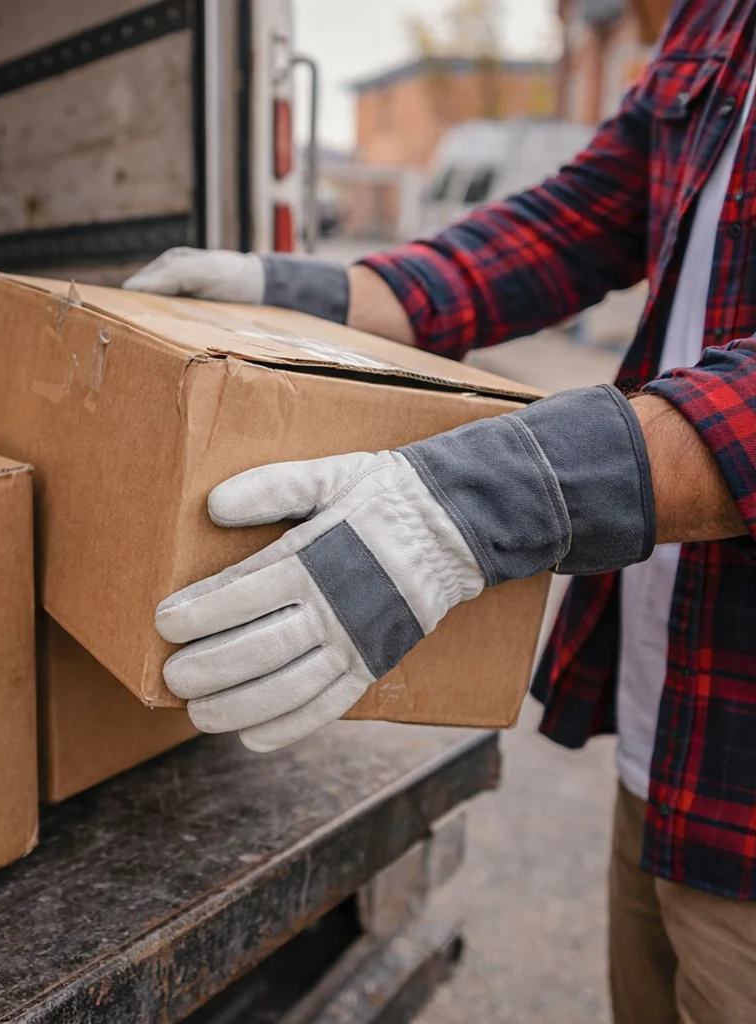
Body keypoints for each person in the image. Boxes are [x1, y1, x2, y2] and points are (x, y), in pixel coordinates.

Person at [124, 3, 756, 1022]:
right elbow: (578, 218)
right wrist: (314, 291)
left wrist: (494, 497)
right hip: (674, 740)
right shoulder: (721, 20)